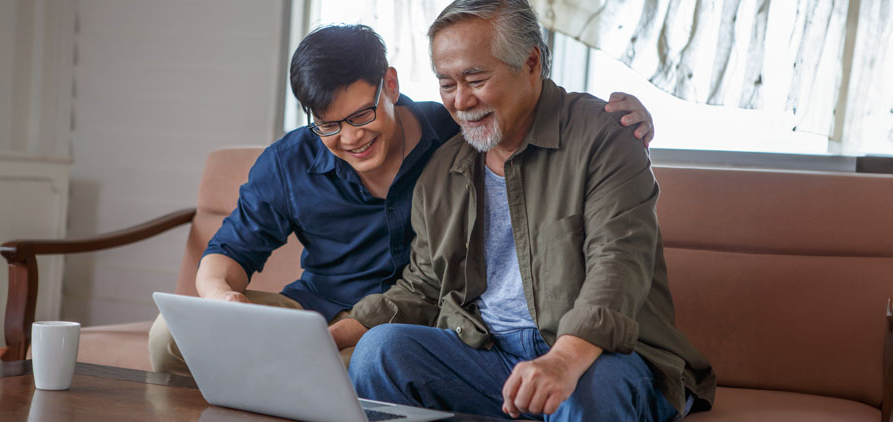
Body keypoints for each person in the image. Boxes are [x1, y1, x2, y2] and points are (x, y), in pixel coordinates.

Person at [148, 23, 656, 376]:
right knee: (169, 336)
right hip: (315, 317)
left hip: (416, 325)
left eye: (362, 115)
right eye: (328, 125)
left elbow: (525, 113)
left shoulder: (453, 132)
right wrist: (224, 302)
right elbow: (224, 258)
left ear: (389, 83)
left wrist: (622, 119)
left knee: (375, 360)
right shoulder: (289, 162)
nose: (349, 138)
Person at [333, 1, 715, 421]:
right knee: (377, 353)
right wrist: (333, 336)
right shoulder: (443, 170)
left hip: (601, 356)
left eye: (476, 79)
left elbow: (619, 262)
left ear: (531, 62)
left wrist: (563, 358)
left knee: (588, 389)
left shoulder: (606, 137)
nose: (460, 101)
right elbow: (425, 284)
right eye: (446, 84)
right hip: (488, 357)